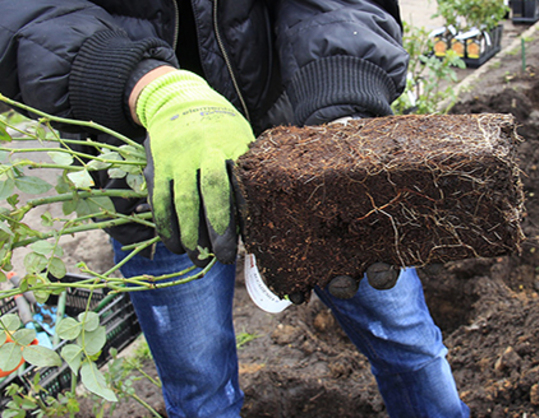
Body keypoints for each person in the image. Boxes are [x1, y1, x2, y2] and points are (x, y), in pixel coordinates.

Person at [0, 1, 471, 417]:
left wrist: (338, 108)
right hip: (157, 179)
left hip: (303, 159)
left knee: (406, 339)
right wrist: (144, 84)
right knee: (201, 389)